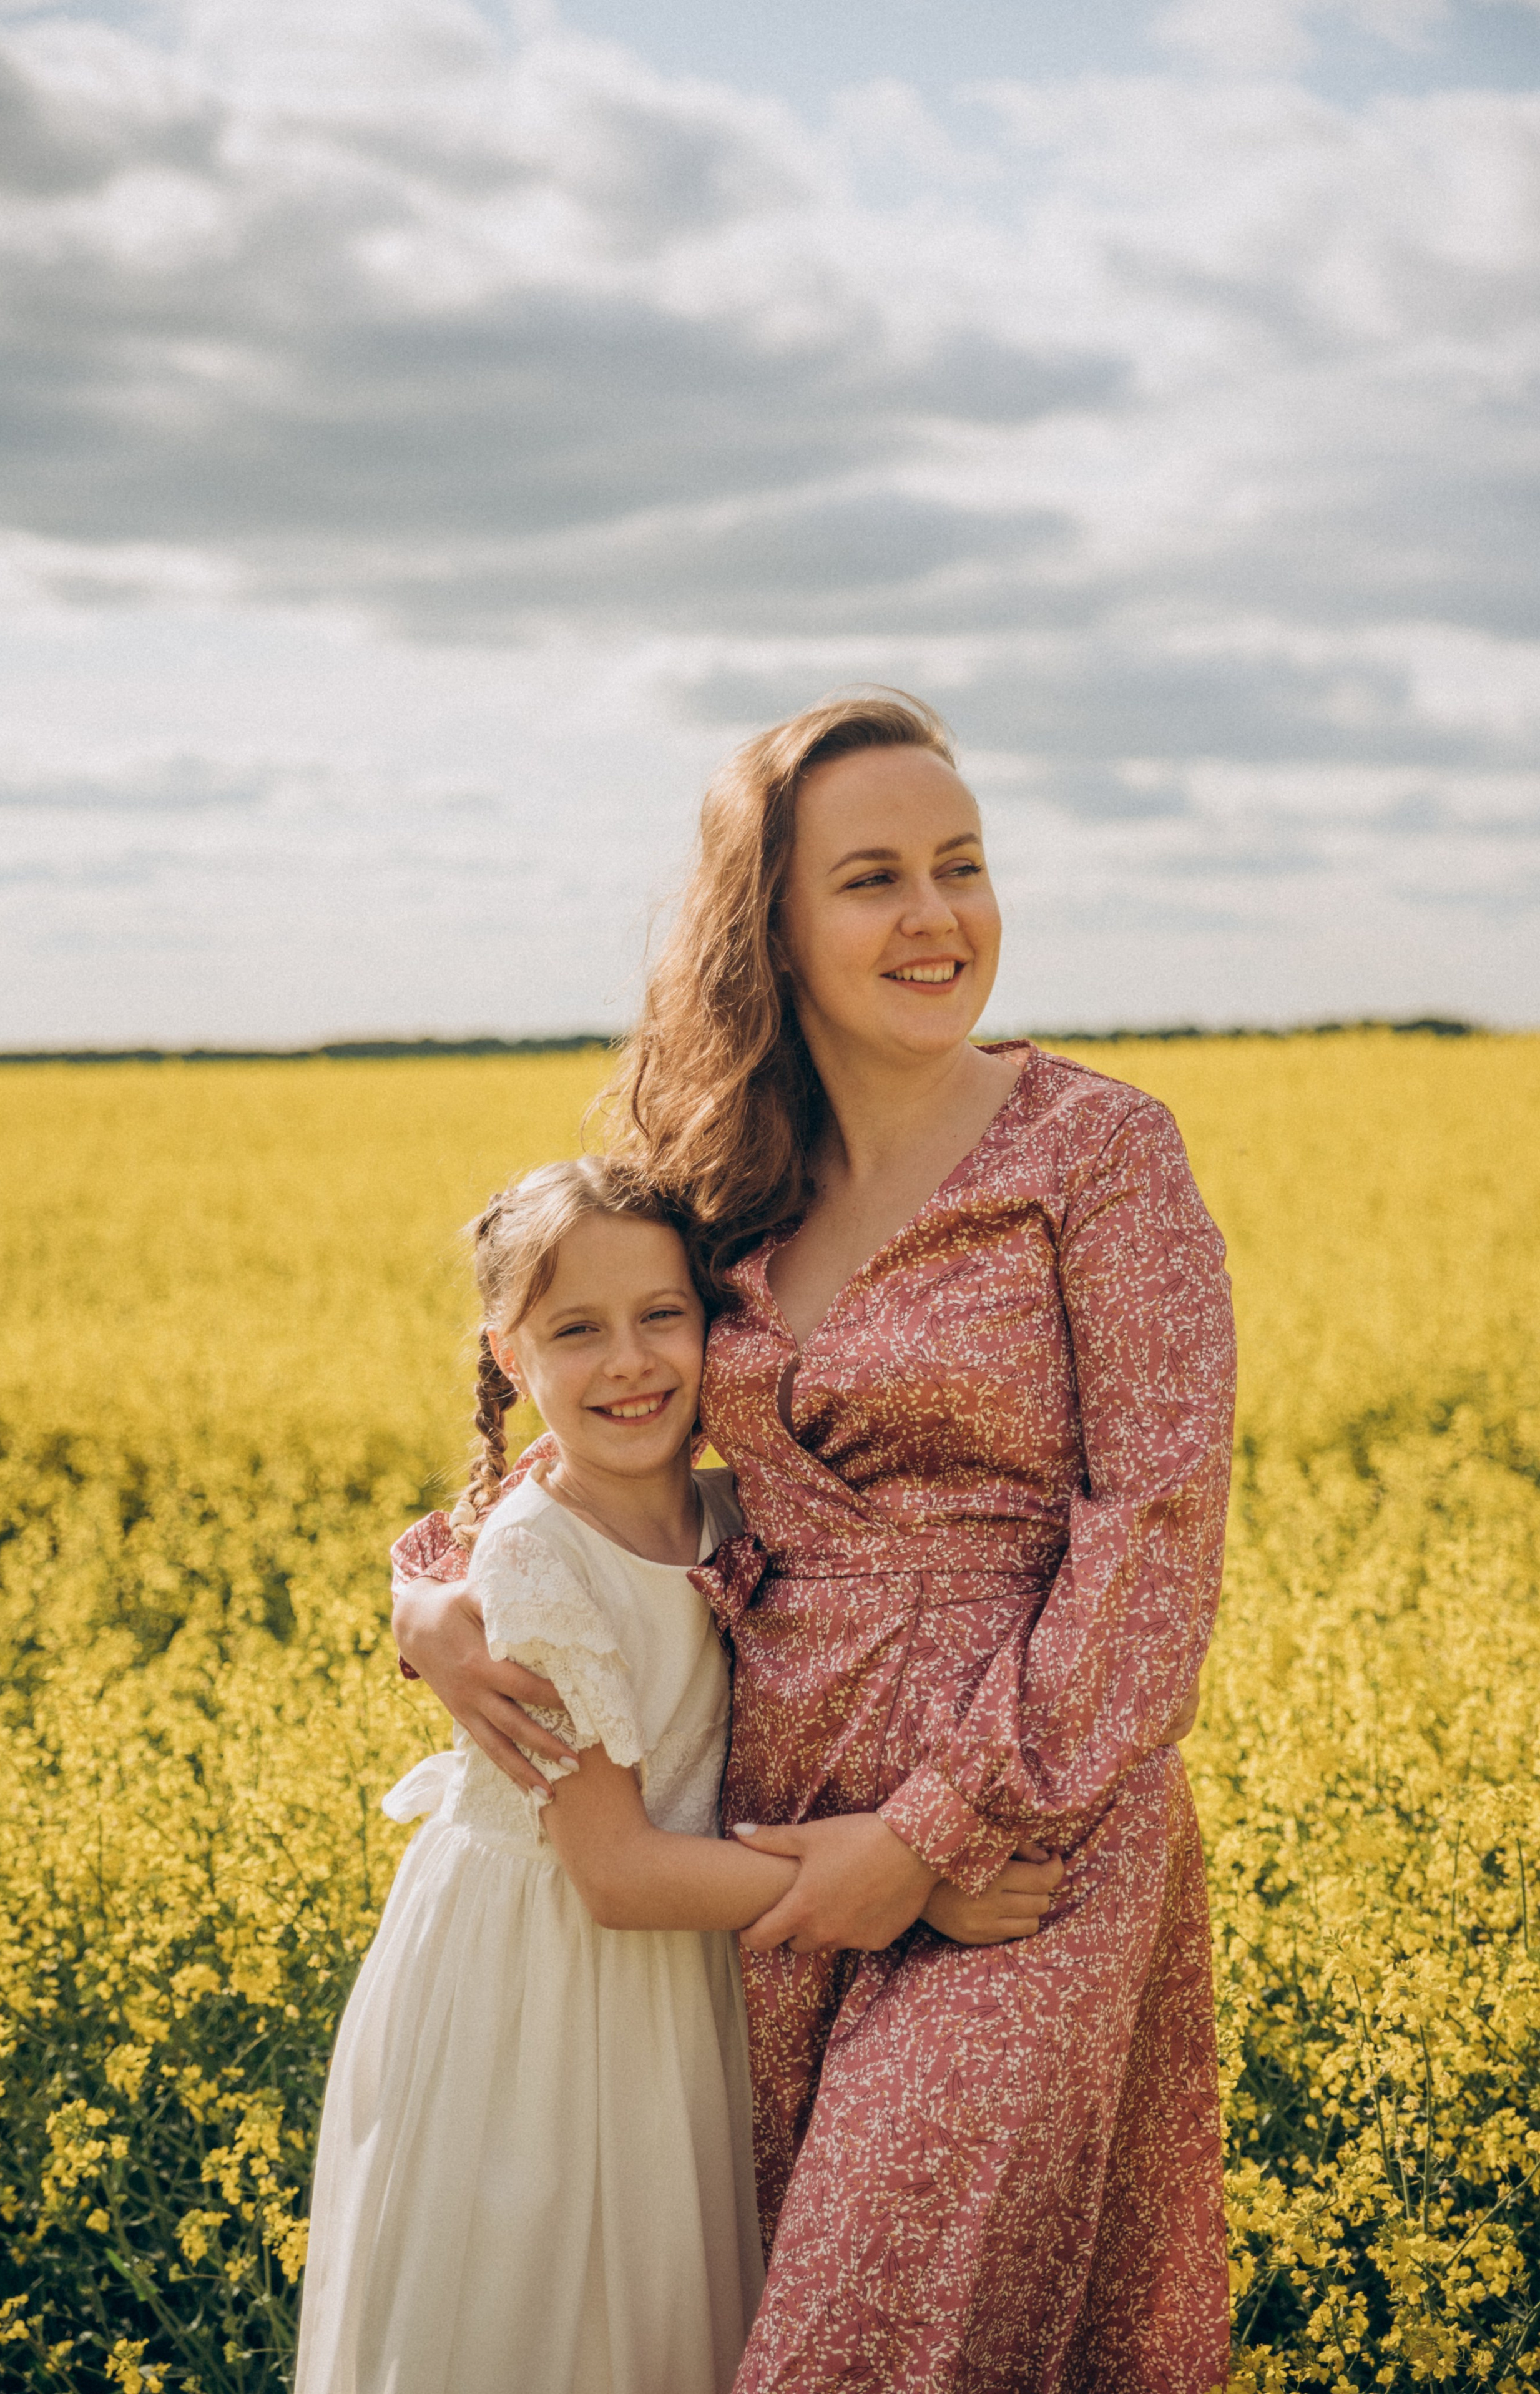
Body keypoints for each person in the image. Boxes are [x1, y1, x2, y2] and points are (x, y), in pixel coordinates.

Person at [397, 690, 1236, 2392]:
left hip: (1023, 1846)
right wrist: (426, 1595)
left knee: (868, 2332)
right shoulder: (720, 1180)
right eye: (874, 878)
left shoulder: (1098, 1152)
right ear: (771, 923)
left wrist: (925, 1837)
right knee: (801, 2312)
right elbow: (578, 1421)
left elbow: (1155, 1542)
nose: (937, 916)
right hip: (777, 1822)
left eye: (964, 864)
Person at [300, 1155, 1052, 2394]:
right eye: (575, 1331)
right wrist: (913, 1881)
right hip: (546, 1976)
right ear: (507, 1353)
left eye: (662, 1315)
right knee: (551, 2314)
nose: (630, 1361)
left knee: (660, 2314)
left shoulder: (723, 1504)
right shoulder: (540, 1556)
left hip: (674, 1957)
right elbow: (616, 1873)